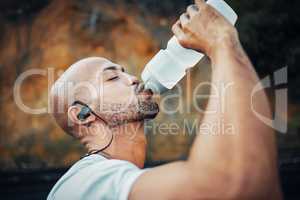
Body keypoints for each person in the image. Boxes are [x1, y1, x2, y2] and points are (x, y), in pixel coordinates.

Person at [47, 0, 282, 199]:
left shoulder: (121, 180)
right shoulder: (84, 183)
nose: (132, 78)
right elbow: (226, 186)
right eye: (112, 77)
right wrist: (221, 42)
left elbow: (259, 185)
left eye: (124, 71)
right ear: (82, 115)